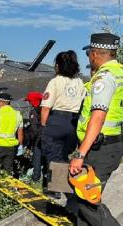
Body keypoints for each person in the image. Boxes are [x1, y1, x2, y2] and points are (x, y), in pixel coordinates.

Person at [57, 33, 123, 226]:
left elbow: (98, 116)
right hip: (110, 144)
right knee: (87, 195)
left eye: (89, 55)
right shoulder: (120, 73)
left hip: (99, 147)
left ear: (95, 54)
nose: (88, 59)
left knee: (86, 198)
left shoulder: (104, 78)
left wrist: (80, 154)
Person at [40, 50, 85, 198]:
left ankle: (55, 190)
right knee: (65, 154)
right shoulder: (79, 82)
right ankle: (64, 186)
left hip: (56, 120)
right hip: (73, 122)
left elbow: (46, 107)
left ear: (58, 66)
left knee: (53, 155)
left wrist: (43, 126)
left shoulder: (55, 81)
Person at [24, 91, 45, 182]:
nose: (28, 103)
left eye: (29, 101)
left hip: (39, 139)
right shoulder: (46, 109)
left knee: (37, 157)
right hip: (48, 138)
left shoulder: (34, 112)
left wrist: (30, 141)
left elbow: (34, 129)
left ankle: (36, 177)